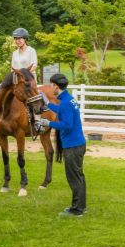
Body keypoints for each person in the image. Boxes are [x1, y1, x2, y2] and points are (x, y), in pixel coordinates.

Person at [39, 74, 87, 217]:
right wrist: (48, 103)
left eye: (50, 85)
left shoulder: (65, 102)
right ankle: (81, 207)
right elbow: (61, 111)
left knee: (74, 178)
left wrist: (48, 123)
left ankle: (76, 210)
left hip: (72, 146)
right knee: (79, 176)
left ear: (55, 85)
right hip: (78, 143)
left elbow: (67, 124)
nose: (49, 87)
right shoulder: (69, 99)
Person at [0, 28, 39, 130]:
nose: (17, 41)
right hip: (16, 80)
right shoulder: (14, 53)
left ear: (25, 39)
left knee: (36, 96)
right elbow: (12, 68)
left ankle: (38, 120)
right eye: (16, 39)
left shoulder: (31, 51)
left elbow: (34, 66)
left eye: (19, 39)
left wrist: (25, 74)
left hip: (28, 80)